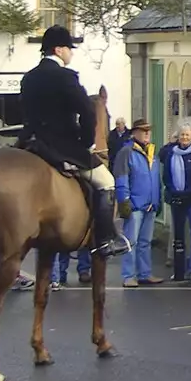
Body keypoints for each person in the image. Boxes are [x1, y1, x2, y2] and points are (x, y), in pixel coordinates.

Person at [18, 25, 130, 259]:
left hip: (31, 143)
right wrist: (86, 141)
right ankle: (105, 239)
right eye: (69, 48)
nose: (71, 53)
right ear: (59, 50)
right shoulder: (66, 77)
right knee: (106, 182)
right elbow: (88, 113)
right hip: (62, 147)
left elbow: (27, 115)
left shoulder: (29, 78)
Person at [113, 119, 161, 288]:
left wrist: (157, 200)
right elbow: (121, 178)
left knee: (145, 242)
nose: (147, 133)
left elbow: (155, 178)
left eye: (148, 131)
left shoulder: (151, 152)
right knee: (130, 241)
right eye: (143, 131)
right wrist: (124, 201)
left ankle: (145, 273)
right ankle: (128, 275)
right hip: (135, 204)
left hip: (149, 204)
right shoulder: (126, 152)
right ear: (134, 133)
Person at [161, 123, 191, 282]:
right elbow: (166, 176)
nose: (184, 138)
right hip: (177, 200)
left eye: (187, 135)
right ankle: (179, 269)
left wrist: (187, 193)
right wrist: (173, 191)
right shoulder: (171, 154)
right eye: (182, 135)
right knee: (178, 237)